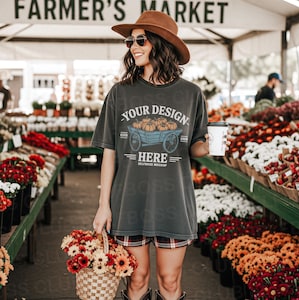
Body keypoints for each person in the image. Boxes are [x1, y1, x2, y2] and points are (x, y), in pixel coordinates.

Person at [92, 10, 209, 300]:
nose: (133, 46)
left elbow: (195, 145)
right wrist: (103, 206)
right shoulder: (120, 93)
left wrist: (208, 146)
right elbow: (109, 152)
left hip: (175, 202)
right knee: (137, 280)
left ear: (161, 43)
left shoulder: (191, 94)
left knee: (170, 281)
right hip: (128, 202)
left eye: (140, 40)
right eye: (130, 41)